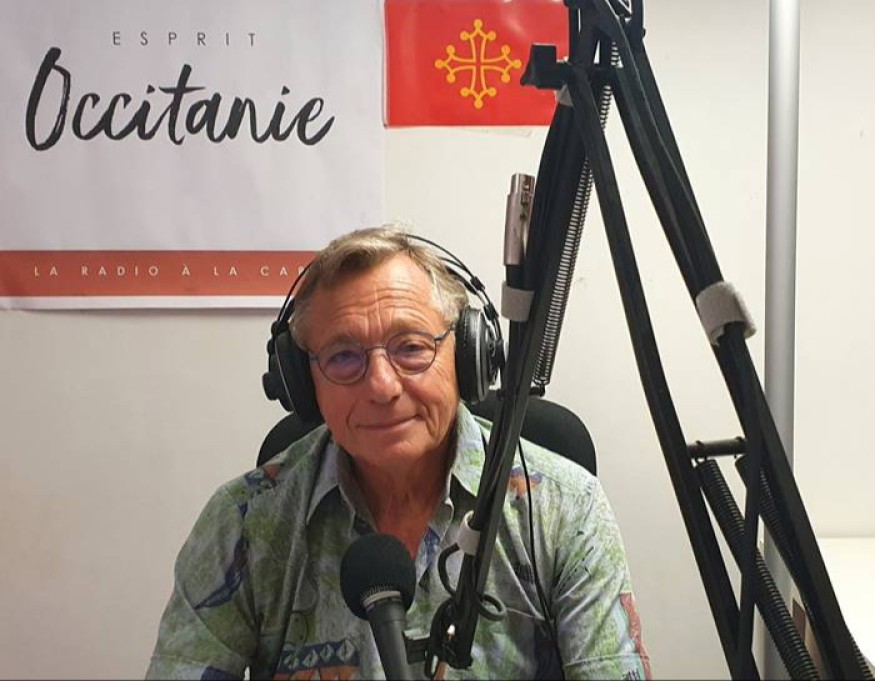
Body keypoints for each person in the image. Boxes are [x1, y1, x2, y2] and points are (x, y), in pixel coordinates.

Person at [146, 226, 651, 680]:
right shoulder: (242, 523)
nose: (382, 386)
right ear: (303, 382)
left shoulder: (566, 509)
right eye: (344, 356)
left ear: (468, 355)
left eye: (411, 348)